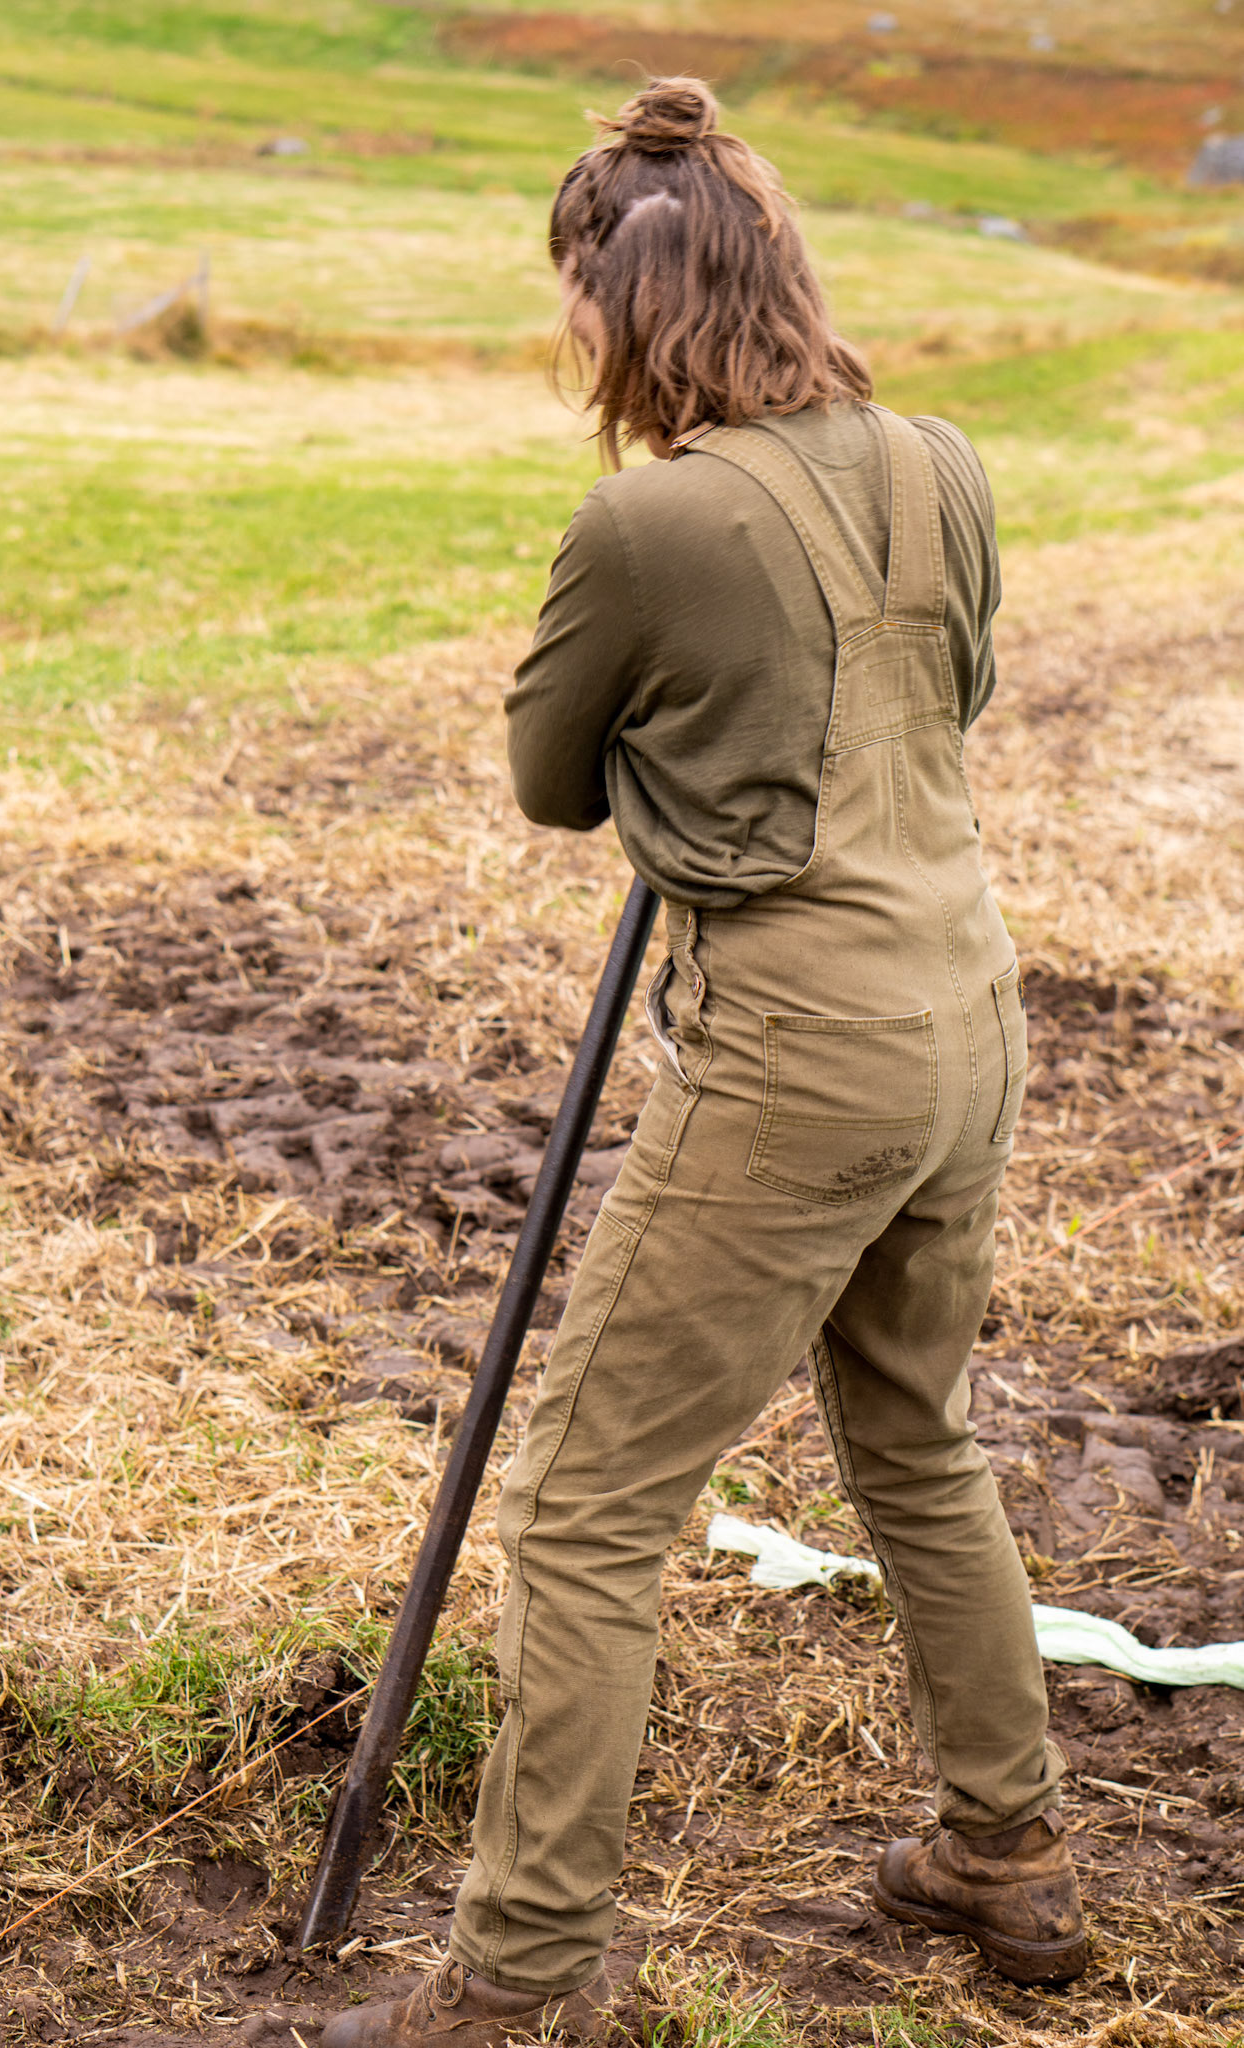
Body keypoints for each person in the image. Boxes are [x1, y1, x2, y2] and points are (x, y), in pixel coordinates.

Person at [324, 75, 1085, 2048]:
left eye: (572, 298)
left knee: (580, 1503)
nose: (563, 336)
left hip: (797, 1055)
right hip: (962, 1011)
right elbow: (951, 695)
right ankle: (1001, 1845)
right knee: (914, 1432)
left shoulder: (644, 519)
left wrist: (704, 771)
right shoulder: (939, 459)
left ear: (626, 305)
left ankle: (511, 1972)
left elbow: (547, 780)